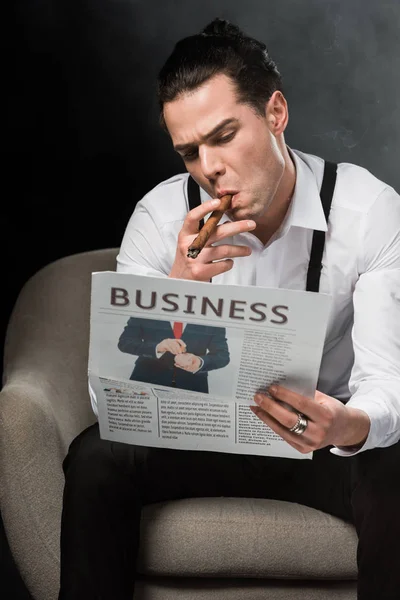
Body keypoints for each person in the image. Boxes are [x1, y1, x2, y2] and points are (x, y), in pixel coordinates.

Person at [58, 18, 400, 600]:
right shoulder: (160, 217)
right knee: (94, 458)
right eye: (190, 150)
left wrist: (348, 424)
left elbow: (387, 379)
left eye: (223, 136)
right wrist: (176, 294)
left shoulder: (366, 210)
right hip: (199, 437)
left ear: (275, 113)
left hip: (315, 442)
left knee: (395, 466)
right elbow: (109, 403)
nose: (208, 167)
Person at [118, 317, 230, 392]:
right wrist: (158, 347)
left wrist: (199, 362)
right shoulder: (146, 304)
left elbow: (222, 355)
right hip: (146, 382)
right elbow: (125, 342)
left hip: (193, 387)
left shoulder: (213, 315)